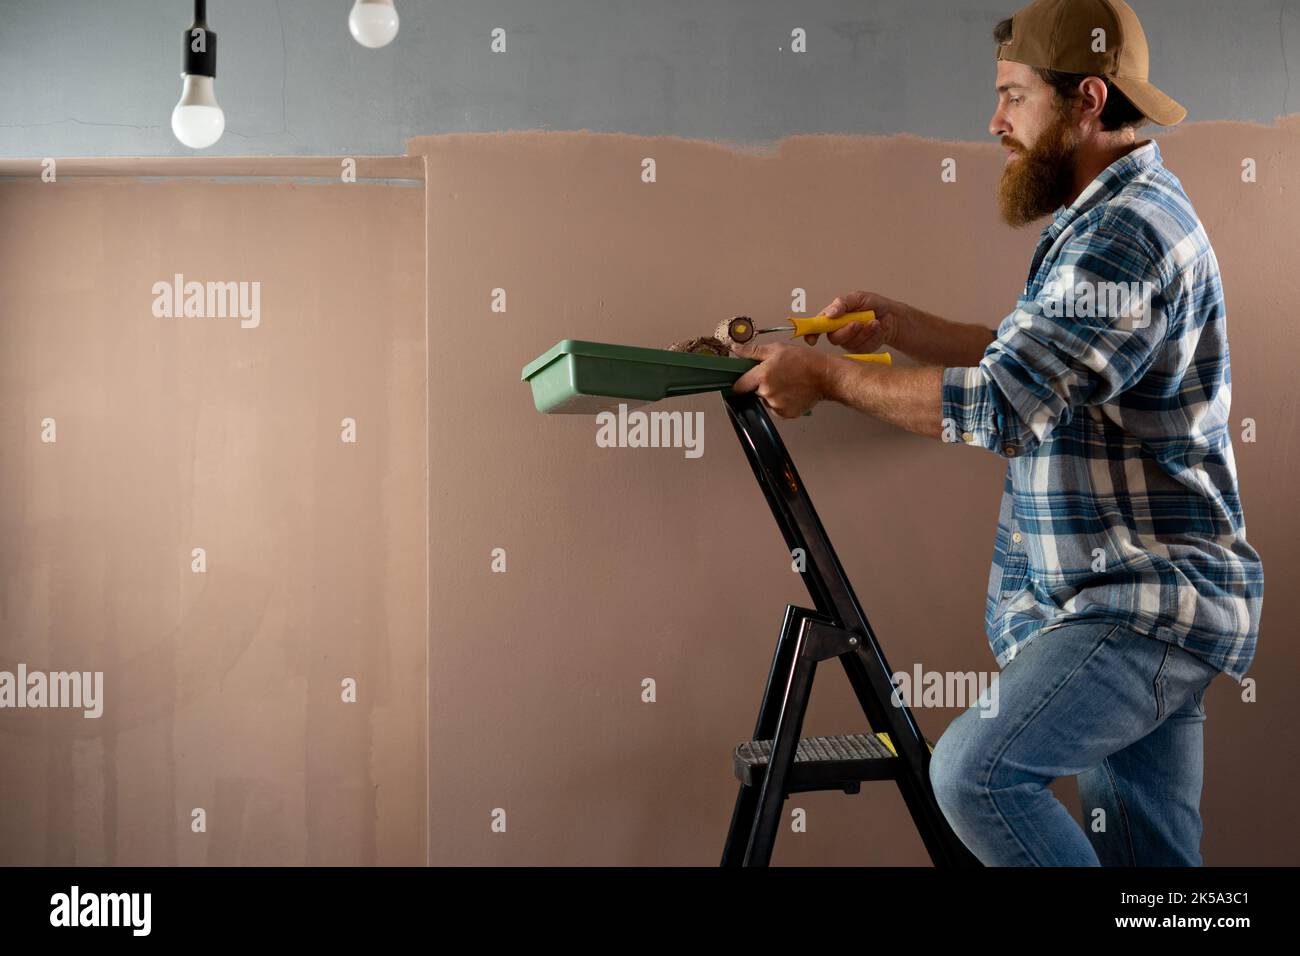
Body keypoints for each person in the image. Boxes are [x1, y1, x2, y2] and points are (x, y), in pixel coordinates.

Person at [730, 0, 1264, 866]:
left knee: (973, 775)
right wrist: (902, 326)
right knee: (1152, 871)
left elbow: (1007, 406)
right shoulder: (1105, 213)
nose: (995, 121)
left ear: (1087, 98)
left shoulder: (1123, 234)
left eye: (1014, 96)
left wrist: (828, 377)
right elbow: (1041, 362)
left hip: (1138, 605)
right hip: (1146, 600)